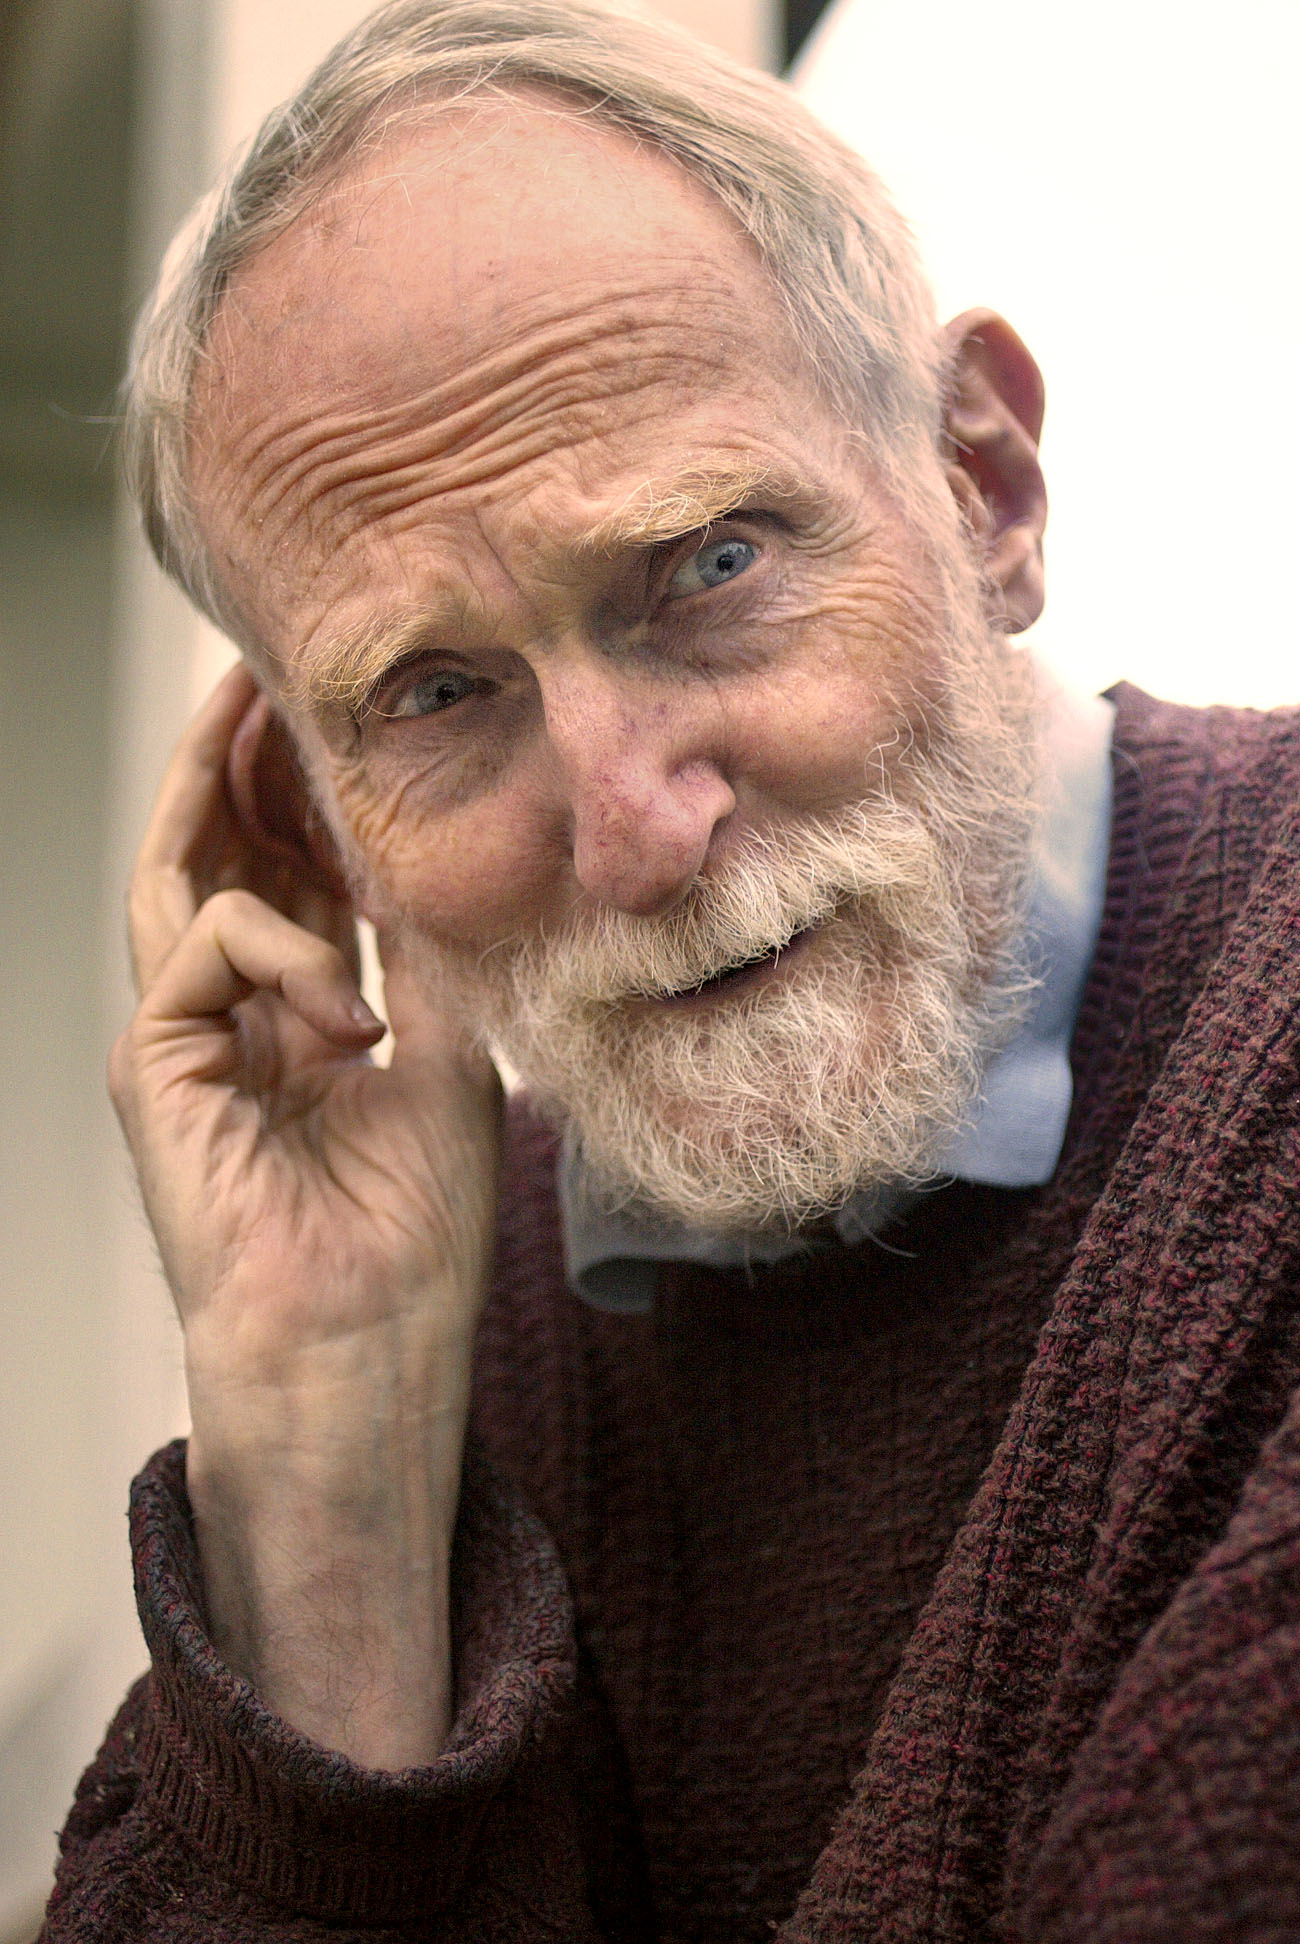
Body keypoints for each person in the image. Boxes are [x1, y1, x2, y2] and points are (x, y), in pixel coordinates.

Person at [40, 0, 1300, 1938]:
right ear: (310, 810)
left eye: (709, 565)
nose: (633, 828)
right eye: (439, 693)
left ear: (982, 490)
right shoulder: (448, 1300)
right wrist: (323, 1452)